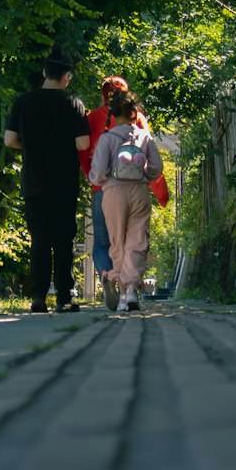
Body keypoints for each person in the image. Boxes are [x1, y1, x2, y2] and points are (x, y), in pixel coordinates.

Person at [4, 49, 90, 313]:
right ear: (66, 76)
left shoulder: (24, 102)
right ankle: (64, 296)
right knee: (63, 239)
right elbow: (83, 142)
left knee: (39, 238)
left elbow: (9, 140)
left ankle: (38, 295)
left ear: (43, 73)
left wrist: (29, 148)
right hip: (64, 182)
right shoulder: (74, 103)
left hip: (34, 180)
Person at [88, 90, 163, 312]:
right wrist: (144, 178)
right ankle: (131, 290)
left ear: (112, 114)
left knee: (117, 242)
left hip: (113, 193)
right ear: (134, 112)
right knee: (137, 241)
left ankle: (122, 293)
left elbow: (99, 171)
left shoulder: (107, 138)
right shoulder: (144, 137)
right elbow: (157, 168)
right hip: (139, 192)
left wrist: (100, 179)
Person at [78, 75, 149, 285]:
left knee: (102, 242)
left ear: (103, 96)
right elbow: (147, 151)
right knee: (132, 241)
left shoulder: (90, 119)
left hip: (103, 190)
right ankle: (128, 287)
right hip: (135, 188)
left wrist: (92, 178)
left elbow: (82, 153)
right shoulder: (138, 118)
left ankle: (107, 275)